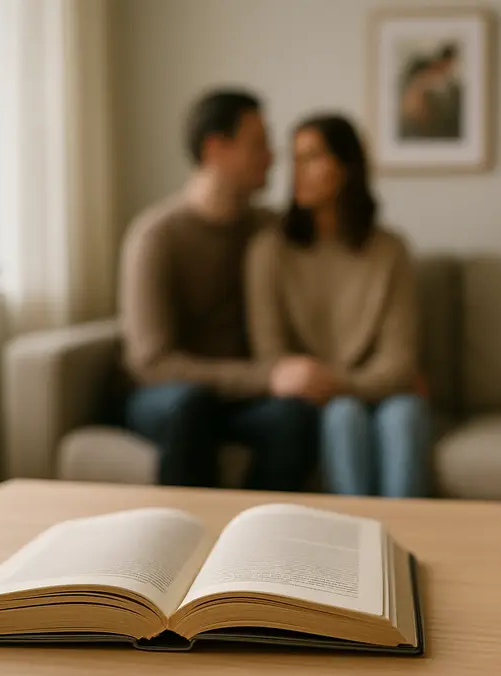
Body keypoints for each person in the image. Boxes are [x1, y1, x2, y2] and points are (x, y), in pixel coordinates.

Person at [118, 89, 318, 490]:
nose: (273, 157)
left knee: (293, 417)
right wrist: (268, 377)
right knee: (190, 405)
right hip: (168, 398)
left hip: (241, 401)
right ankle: (186, 540)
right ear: (216, 149)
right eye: (258, 143)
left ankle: (258, 537)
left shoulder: (268, 228)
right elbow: (152, 363)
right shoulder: (157, 236)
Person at [245, 113, 430, 498]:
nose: (298, 171)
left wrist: (339, 384)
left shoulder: (390, 250)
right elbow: (271, 356)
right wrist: (335, 389)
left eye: (312, 157)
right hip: (316, 401)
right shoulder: (269, 251)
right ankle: (356, 544)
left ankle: (412, 542)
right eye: (294, 159)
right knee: (344, 416)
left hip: (380, 393)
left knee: (406, 415)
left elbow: (399, 362)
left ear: (346, 167)